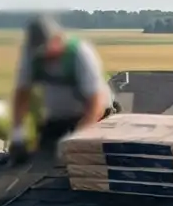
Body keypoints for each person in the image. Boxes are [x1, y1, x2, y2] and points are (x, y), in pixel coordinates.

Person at [10, 14, 112, 157]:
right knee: (42, 161)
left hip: (93, 118)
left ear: (57, 38)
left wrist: (76, 138)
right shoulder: (32, 54)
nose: (42, 55)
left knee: (83, 162)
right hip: (58, 119)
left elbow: (96, 103)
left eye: (45, 48)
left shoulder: (80, 54)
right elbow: (22, 93)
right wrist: (17, 134)